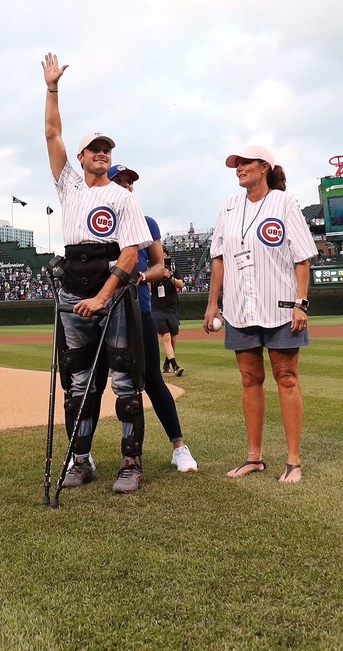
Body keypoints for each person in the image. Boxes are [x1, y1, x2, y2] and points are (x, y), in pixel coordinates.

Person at [43, 52, 153, 493]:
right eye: (96, 149)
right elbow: (52, 132)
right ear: (83, 156)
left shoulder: (124, 198)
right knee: (78, 384)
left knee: (125, 379)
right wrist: (52, 88)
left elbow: (129, 256)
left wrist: (104, 297)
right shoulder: (68, 185)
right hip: (72, 291)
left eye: (109, 150)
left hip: (111, 295)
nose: (103, 154)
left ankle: (131, 462)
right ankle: (81, 460)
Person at [203, 145, 317, 484]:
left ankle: (293, 460)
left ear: (264, 166)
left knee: (287, 377)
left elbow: (302, 258)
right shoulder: (229, 206)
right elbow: (219, 258)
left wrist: (302, 303)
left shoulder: (285, 203)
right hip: (240, 307)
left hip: (281, 305)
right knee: (249, 379)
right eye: (235, 165)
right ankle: (254, 456)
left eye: (244, 163)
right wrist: (212, 304)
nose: (238, 169)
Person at [83, 164, 198, 472]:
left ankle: (179, 447)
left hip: (139, 311)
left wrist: (141, 277)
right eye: (119, 181)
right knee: (93, 383)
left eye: (129, 182)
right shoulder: (95, 224)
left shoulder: (146, 223)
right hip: (102, 313)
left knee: (152, 380)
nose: (126, 186)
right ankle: (82, 455)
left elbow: (161, 266)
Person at [151, 247, 187, 375]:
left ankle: (166, 364)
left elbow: (181, 284)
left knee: (173, 338)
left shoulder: (173, 267)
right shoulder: (152, 267)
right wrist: (156, 274)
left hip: (172, 308)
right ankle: (175, 366)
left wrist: (169, 276)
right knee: (165, 337)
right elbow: (148, 284)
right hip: (157, 309)